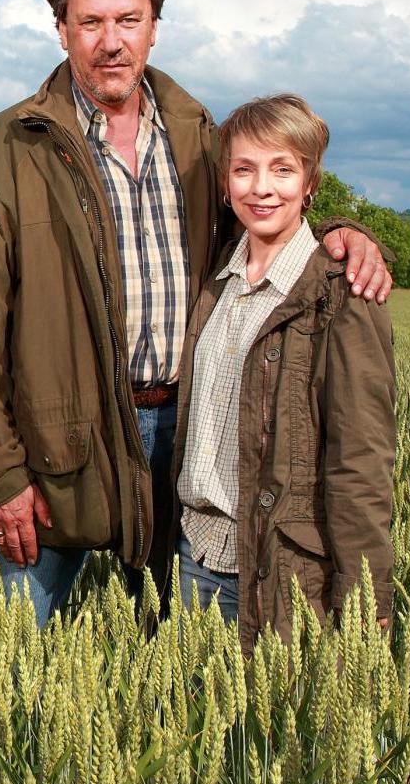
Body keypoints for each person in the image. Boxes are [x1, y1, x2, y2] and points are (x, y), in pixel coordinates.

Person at [0, 0, 391, 627]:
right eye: (92, 22)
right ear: (63, 29)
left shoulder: (199, 133)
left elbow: (265, 212)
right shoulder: (5, 151)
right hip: (58, 448)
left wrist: (340, 234)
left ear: (154, 27)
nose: (111, 42)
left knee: (177, 666)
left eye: (128, 20)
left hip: (189, 437)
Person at [169, 95, 395, 645]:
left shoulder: (342, 295)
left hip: (276, 572)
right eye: (244, 169)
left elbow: (360, 458)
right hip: (191, 557)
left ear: (310, 181)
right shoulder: (214, 277)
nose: (262, 187)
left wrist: (367, 598)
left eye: (283, 169)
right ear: (225, 183)